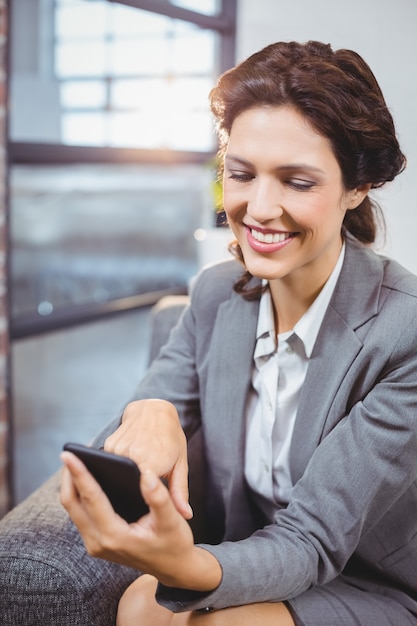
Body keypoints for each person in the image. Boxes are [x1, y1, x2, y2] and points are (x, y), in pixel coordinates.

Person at [60, 40, 417, 625]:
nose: (259, 207)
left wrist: (186, 567)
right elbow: (125, 452)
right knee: (141, 607)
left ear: (357, 188)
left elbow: (313, 543)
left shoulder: (403, 332)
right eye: (242, 175)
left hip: (371, 581)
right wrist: (148, 408)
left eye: (298, 182)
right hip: (253, 557)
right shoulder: (215, 295)